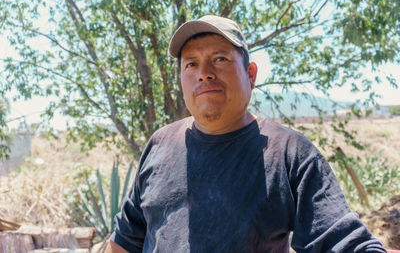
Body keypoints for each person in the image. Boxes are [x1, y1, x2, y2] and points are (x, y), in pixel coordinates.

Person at [106, 15, 386, 253]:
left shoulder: (289, 153)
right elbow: (126, 237)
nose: (203, 73)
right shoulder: (160, 144)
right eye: (191, 64)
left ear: (250, 74)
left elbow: (344, 242)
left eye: (220, 59)